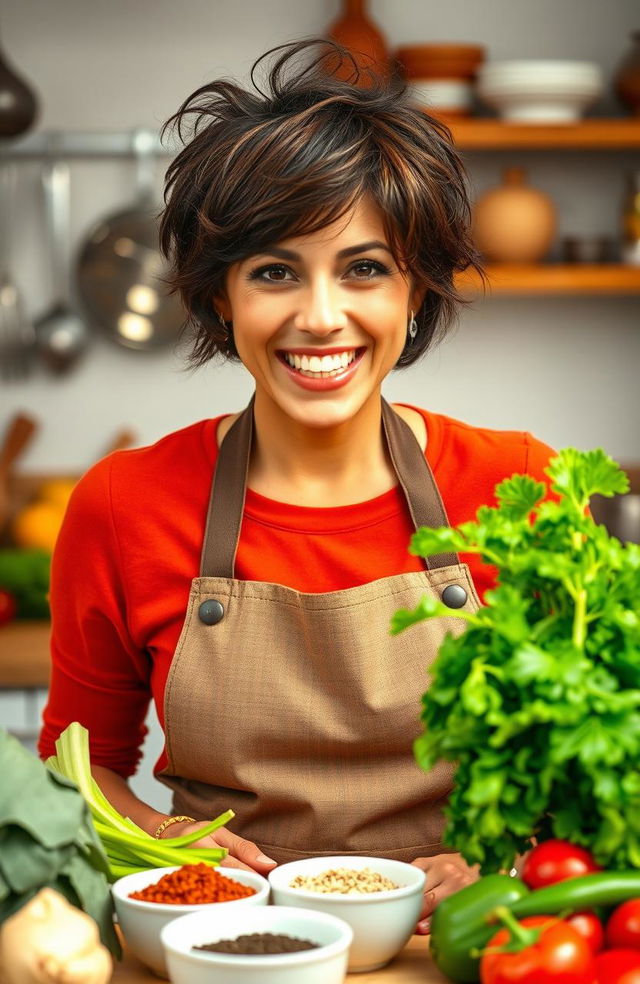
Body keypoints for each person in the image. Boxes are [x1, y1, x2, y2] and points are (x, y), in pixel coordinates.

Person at [39, 39, 555, 933]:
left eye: (364, 268)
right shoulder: (122, 503)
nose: (322, 316)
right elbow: (77, 771)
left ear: (415, 294)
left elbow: (592, 760)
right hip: (225, 938)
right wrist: (161, 839)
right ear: (219, 298)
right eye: (275, 270)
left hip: (471, 942)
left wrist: (500, 851)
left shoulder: (517, 484)